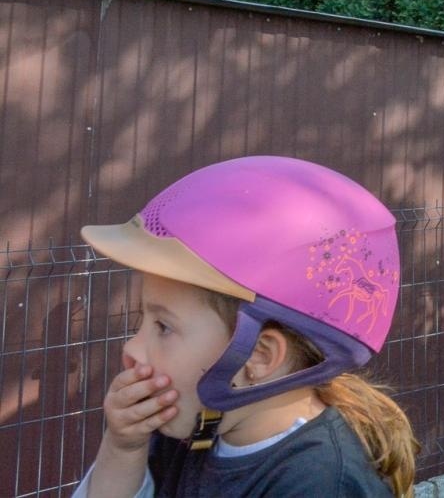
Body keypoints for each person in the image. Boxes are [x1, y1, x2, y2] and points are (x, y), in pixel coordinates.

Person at [75, 155, 416, 498]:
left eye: (163, 326)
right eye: (142, 320)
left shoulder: (319, 484)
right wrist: (124, 450)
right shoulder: (196, 428)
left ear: (259, 356)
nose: (131, 350)